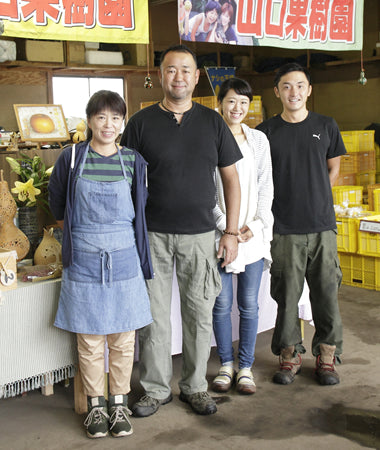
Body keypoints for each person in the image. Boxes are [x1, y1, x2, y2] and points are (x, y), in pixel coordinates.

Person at [120, 44, 242, 416]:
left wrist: (231, 232)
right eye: (171, 70)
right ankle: (156, 390)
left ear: (195, 76)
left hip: (201, 236)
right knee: (153, 316)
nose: (179, 77)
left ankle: (194, 386)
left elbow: (231, 180)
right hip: (152, 235)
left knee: (198, 312)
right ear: (160, 75)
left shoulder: (212, 122)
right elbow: (125, 180)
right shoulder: (140, 124)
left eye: (186, 70)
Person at [48, 90, 153, 439]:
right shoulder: (72, 157)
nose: (108, 124)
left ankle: (119, 403)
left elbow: (141, 209)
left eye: (116, 118)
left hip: (124, 256)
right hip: (84, 257)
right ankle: (96, 406)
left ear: (123, 122)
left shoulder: (133, 161)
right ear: (90, 120)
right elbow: (58, 203)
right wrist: (84, 239)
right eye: (101, 117)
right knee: (90, 338)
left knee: (123, 338)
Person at [256, 62, 345, 386]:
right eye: (287, 86)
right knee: (287, 296)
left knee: (326, 293)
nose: (294, 92)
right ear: (278, 91)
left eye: (300, 85)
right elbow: (261, 179)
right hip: (284, 229)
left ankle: (326, 355)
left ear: (309, 90)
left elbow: (333, 170)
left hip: (322, 227)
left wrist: (316, 198)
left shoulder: (326, 125)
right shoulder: (266, 132)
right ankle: (289, 354)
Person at [211, 78, 273, 395]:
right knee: (221, 304)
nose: (237, 108)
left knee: (248, 304)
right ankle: (225, 364)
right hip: (221, 236)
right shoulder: (209, 136)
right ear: (220, 103)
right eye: (232, 101)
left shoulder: (259, 140)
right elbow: (206, 192)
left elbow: (266, 187)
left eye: (244, 103)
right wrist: (226, 227)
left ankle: (245, 367)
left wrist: (256, 225)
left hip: (252, 236)